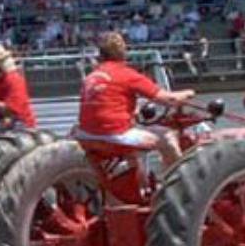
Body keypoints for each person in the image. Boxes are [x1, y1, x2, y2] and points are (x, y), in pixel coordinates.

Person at [76, 31, 195, 168]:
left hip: (86, 134)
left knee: (133, 142)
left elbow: (106, 103)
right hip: (113, 136)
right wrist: (189, 93)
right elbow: (169, 100)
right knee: (167, 137)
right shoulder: (127, 74)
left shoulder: (92, 76)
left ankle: (141, 186)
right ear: (123, 52)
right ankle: (177, 184)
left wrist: (133, 110)